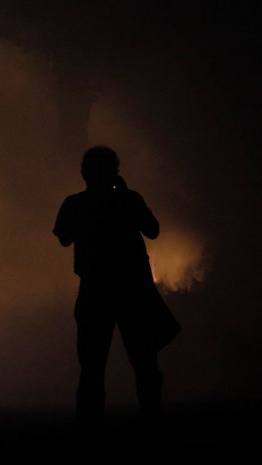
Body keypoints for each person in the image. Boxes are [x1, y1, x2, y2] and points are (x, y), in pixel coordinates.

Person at [53, 146, 179, 435]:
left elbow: (63, 237)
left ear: (84, 174)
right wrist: (123, 198)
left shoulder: (76, 203)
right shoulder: (128, 200)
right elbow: (153, 230)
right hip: (131, 291)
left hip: (95, 290)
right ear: (115, 172)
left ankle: (90, 427)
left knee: (92, 366)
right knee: (144, 362)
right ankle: (152, 423)